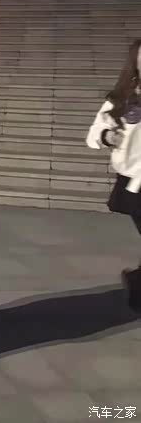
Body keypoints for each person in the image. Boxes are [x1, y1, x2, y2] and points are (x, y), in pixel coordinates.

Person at [86, 39, 141, 311]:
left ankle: (137, 283)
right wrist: (109, 136)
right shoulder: (122, 98)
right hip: (134, 183)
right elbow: (93, 135)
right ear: (135, 62)